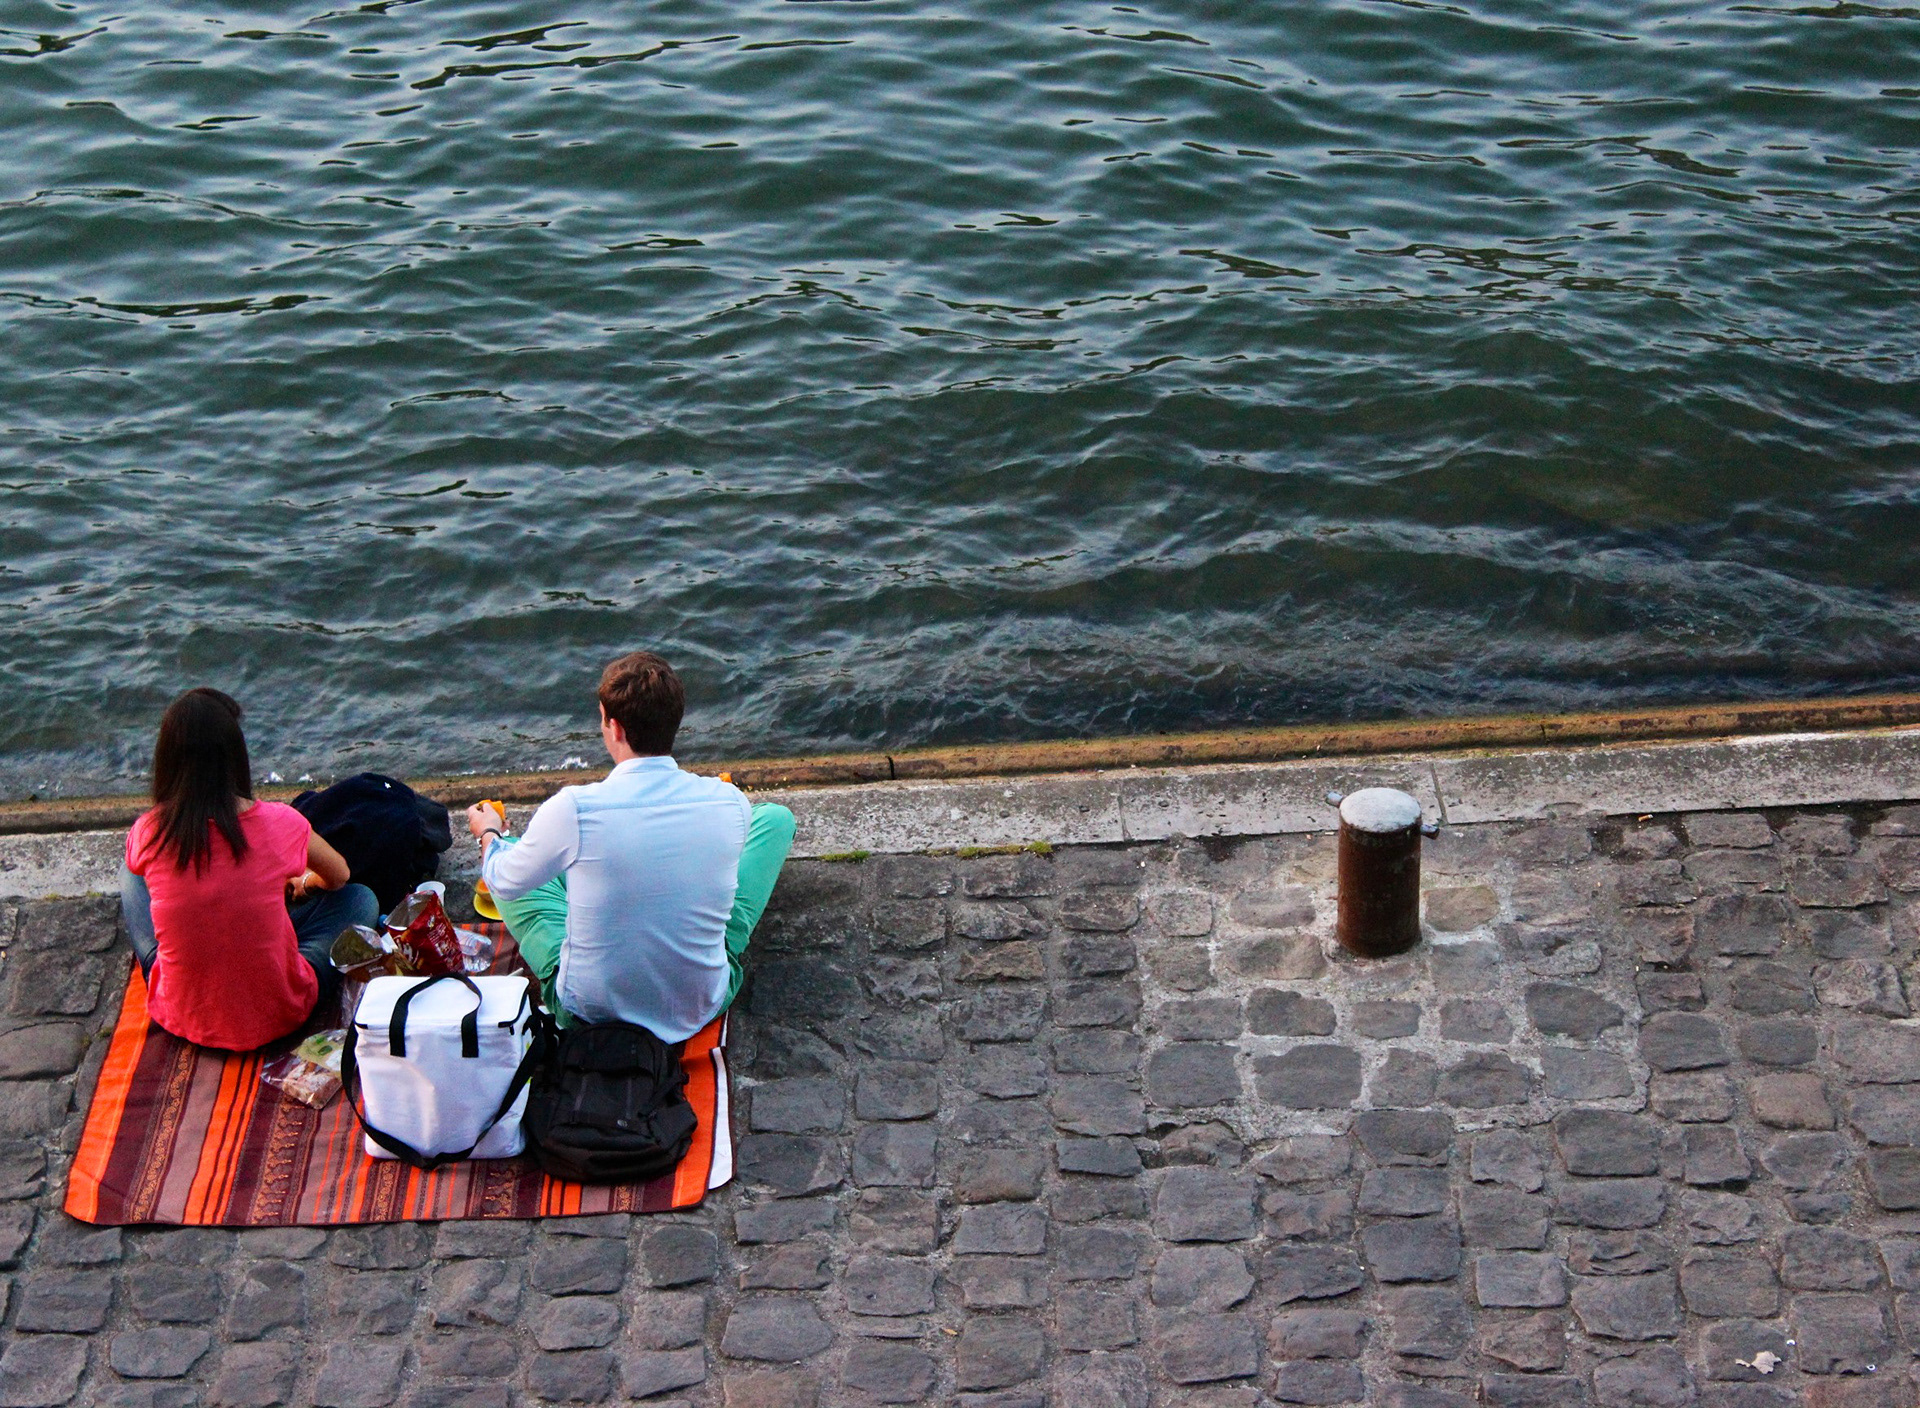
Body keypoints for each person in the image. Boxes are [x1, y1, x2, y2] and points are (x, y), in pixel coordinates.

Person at [470, 652, 795, 1042]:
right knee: (776, 818)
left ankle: (507, 845)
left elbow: (503, 882)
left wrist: (489, 834)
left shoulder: (573, 809)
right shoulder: (729, 803)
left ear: (615, 727)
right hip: (701, 1003)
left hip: (590, 1013)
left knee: (512, 861)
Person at [120, 688, 378, 1050]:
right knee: (361, 900)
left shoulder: (149, 830)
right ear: (235, 757)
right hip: (282, 1014)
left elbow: (150, 869)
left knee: (132, 870)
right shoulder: (280, 823)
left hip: (181, 1015)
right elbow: (339, 876)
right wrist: (303, 882)